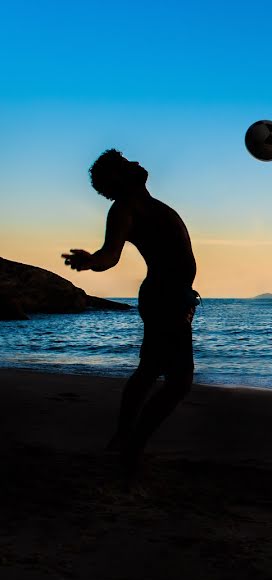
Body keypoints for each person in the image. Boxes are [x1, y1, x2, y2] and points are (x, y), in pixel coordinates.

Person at [62, 149, 199, 476]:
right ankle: (131, 447)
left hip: (174, 297)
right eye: (125, 163)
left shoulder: (146, 203)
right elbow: (111, 254)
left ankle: (124, 440)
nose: (136, 162)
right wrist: (92, 261)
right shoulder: (125, 207)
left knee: (149, 370)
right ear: (119, 178)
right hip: (164, 299)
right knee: (178, 382)